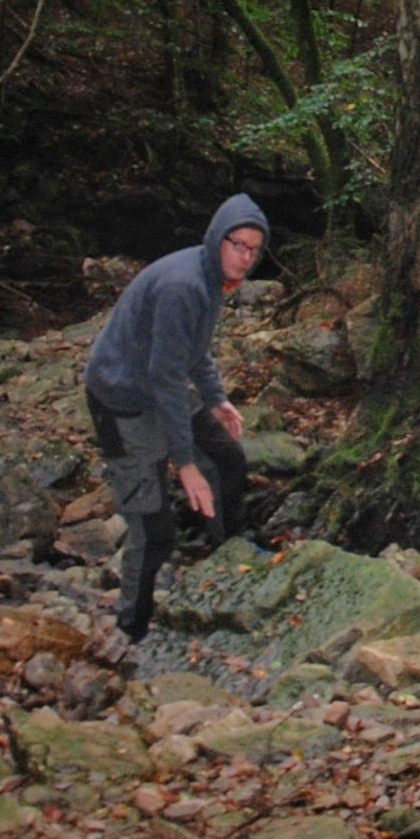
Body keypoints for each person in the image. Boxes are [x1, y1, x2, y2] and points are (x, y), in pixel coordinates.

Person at [82, 194, 266, 641]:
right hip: (121, 401)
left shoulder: (212, 277)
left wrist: (216, 398)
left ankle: (228, 551)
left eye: (253, 250)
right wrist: (183, 464)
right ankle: (131, 629)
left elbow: (192, 350)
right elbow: (165, 378)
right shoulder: (184, 285)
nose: (244, 258)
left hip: (157, 387)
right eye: (236, 244)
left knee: (226, 458)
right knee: (153, 529)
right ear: (216, 239)